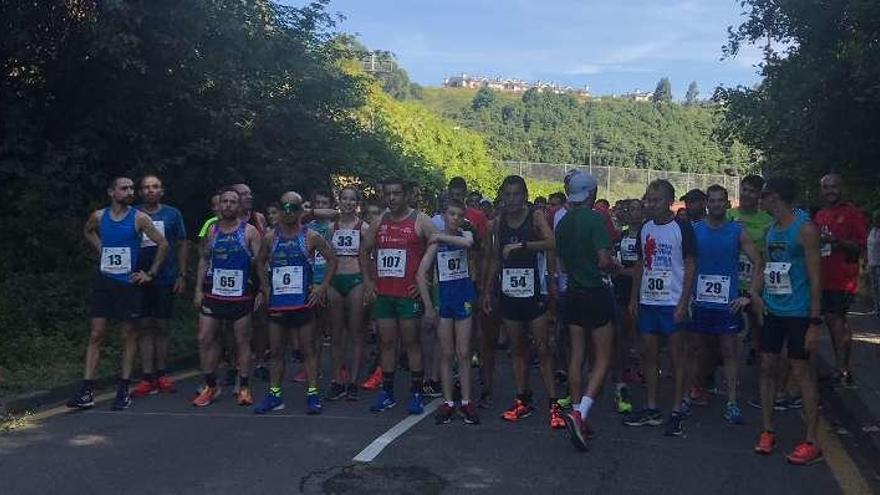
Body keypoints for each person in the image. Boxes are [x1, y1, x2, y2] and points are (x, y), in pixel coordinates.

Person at [68, 177, 168, 410]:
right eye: (124, 188)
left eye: (132, 188)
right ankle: (86, 390)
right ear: (111, 192)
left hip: (128, 284)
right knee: (96, 334)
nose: (130, 192)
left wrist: (150, 273)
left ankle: (123, 389)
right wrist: (101, 248)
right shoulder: (100, 217)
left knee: (128, 335)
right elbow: (88, 231)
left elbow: (162, 244)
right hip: (105, 281)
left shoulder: (139, 218)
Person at [753, 176, 824, 465]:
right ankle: (768, 431)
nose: (760, 200)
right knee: (768, 366)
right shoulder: (770, 230)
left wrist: (815, 322)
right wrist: (756, 294)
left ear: (776, 197)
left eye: (764, 195)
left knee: (801, 372)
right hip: (773, 311)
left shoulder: (804, 229)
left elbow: (816, 277)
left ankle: (812, 441)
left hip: (798, 313)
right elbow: (765, 265)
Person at [484, 175, 563, 429]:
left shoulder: (536, 217)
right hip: (509, 292)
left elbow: (552, 243)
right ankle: (522, 399)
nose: (512, 200)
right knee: (517, 349)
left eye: (517, 194)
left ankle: (554, 404)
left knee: (542, 348)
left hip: (534, 292)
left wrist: (523, 246)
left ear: (525, 195)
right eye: (507, 195)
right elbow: (495, 258)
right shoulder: (498, 223)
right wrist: (487, 290)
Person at [253, 192, 337, 415]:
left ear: (301, 211)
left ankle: (312, 393)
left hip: (303, 303)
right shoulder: (271, 237)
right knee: (277, 351)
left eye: (293, 208)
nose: (288, 212)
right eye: (285, 208)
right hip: (279, 303)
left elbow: (332, 260)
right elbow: (260, 262)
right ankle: (274, 394)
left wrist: (321, 287)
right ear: (280, 211)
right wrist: (265, 287)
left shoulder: (310, 236)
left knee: (308, 349)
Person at [624, 179, 696, 436]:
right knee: (649, 356)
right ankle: (652, 406)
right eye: (648, 199)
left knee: (677, 357)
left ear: (669, 202)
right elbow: (641, 264)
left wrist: (684, 302)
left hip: (672, 302)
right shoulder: (645, 228)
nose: (649, 204)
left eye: (655, 200)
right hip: (649, 301)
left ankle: (677, 407)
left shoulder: (683, 228)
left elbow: (690, 266)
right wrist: (634, 298)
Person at [362, 180, 437, 413]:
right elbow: (364, 251)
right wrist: (368, 281)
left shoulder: (421, 220)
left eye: (396, 194)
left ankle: (416, 393)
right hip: (385, 294)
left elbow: (437, 249)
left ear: (406, 195)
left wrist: (426, 283)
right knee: (386, 343)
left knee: (412, 343)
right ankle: (387, 392)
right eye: (388, 194)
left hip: (408, 295)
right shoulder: (379, 222)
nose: (392, 198)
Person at [690, 184, 762, 425]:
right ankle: (697, 388)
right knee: (702, 351)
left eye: (721, 200)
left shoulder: (736, 230)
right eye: (713, 200)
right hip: (700, 302)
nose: (717, 204)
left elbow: (758, 262)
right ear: (706, 204)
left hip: (727, 304)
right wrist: (685, 298)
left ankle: (732, 401)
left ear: (727, 203)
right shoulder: (696, 230)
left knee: (730, 352)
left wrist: (749, 295)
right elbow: (685, 265)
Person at [555, 172, 617, 450]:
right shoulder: (595, 219)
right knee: (603, 358)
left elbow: (563, 263)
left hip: (573, 293)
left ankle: (576, 407)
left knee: (576, 355)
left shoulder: (564, 222)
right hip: (596, 292)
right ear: (591, 193)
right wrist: (613, 264)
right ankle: (581, 413)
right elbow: (604, 260)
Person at [192, 188, 262, 407]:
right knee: (204, 338)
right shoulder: (212, 230)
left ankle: (243, 387)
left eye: (233, 202)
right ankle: (211, 385)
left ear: (239, 205)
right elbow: (204, 259)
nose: (229, 205)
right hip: (214, 292)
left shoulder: (249, 231)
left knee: (241, 341)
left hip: (241, 295)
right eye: (225, 202)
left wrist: (262, 290)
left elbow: (260, 263)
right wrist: (197, 289)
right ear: (219, 205)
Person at [417, 198, 480, 425]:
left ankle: (466, 401)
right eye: (451, 214)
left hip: (463, 298)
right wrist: (427, 306)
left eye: (459, 215)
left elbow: (468, 245)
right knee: (446, 353)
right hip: (444, 301)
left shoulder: (463, 234)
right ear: (443, 215)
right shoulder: (435, 244)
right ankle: (448, 402)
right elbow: (421, 273)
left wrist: (441, 236)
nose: (455, 218)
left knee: (463, 352)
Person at [131, 175, 188, 398]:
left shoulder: (172, 214)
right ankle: (146, 377)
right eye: (146, 187)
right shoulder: (133, 214)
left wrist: (182, 274)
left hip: (166, 277)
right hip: (138, 276)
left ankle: (162, 373)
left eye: (155, 187)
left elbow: (182, 243)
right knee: (144, 327)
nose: (150, 191)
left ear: (161, 191)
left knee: (162, 327)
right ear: (140, 192)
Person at [814, 173, 867, 387]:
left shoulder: (852, 213)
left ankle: (844, 370)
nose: (830, 191)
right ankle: (840, 367)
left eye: (834, 187)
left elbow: (860, 246)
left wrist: (835, 241)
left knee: (837, 320)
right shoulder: (820, 215)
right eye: (826, 187)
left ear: (841, 188)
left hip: (844, 277)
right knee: (832, 321)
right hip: (824, 277)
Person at [326, 187, 370, 400]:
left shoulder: (363, 227)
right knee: (336, 334)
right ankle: (336, 379)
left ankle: (353, 380)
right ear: (339, 201)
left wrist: (370, 283)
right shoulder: (330, 227)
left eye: (353, 199)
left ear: (357, 203)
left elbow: (372, 254)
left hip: (355, 279)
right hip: (335, 280)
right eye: (345, 198)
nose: (349, 203)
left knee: (355, 332)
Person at [727, 175, 774, 366]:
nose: (746, 194)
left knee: (758, 323)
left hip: (755, 279)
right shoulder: (729, 215)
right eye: (744, 189)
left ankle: (758, 352)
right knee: (725, 328)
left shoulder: (768, 220)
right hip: (731, 280)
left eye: (752, 191)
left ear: (759, 195)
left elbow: (768, 254)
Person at [610, 198, 643, 414]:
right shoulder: (621, 237)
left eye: (637, 209)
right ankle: (621, 379)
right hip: (621, 290)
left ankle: (640, 368)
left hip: (643, 291)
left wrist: (625, 271)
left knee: (641, 337)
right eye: (629, 209)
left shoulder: (648, 235)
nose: (632, 212)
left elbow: (644, 267)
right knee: (621, 336)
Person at [868, 211, 880, 317]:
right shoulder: (872, 230)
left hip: (879, 263)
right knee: (874, 287)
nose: (875, 220)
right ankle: (876, 308)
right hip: (872, 262)